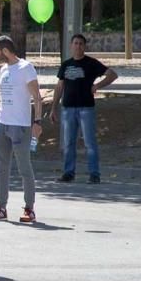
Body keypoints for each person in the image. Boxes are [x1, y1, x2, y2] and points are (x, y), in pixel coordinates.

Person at [0, 35, 43, 224]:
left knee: (24, 168)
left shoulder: (26, 68)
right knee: (2, 168)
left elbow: (37, 97)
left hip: (21, 126)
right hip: (2, 123)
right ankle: (1, 208)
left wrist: (37, 121)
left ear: (5, 51)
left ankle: (30, 209)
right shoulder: (3, 69)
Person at [50, 34, 118, 184]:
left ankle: (94, 174)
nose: (78, 46)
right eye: (75, 43)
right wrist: (54, 107)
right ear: (71, 46)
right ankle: (68, 173)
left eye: (81, 44)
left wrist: (97, 86)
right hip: (68, 109)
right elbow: (60, 86)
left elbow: (112, 75)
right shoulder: (66, 65)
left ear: (84, 46)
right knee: (69, 142)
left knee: (89, 143)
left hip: (86, 108)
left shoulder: (91, 63)